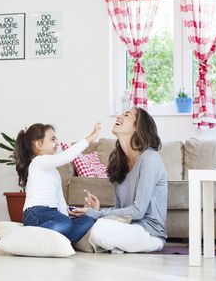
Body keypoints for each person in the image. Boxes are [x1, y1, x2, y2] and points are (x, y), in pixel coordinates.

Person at [71, 108, 167, 253]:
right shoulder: (118, 163)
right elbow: (121, 209)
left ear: (138, 126)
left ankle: (112, 245)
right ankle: (115, 246)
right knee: (78, 225)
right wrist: (96, 210)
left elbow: (138, 211)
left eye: (126, 115)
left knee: (98, 229)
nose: (119, 116)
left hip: (149, 233)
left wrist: (96, 215)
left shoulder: (149, 159)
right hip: (125, 226)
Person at [14, 122, 101, 244]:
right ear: (39, 144)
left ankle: (55, 241)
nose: (57, 142)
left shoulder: (53, 171)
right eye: (53, 139)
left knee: (87, 220)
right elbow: (66, 157)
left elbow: (59, 198)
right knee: (64, 224)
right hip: (36, 213)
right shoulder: (38, 162)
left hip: (53, 214)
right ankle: (26, 239)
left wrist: (70, 212)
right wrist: (90, 138)